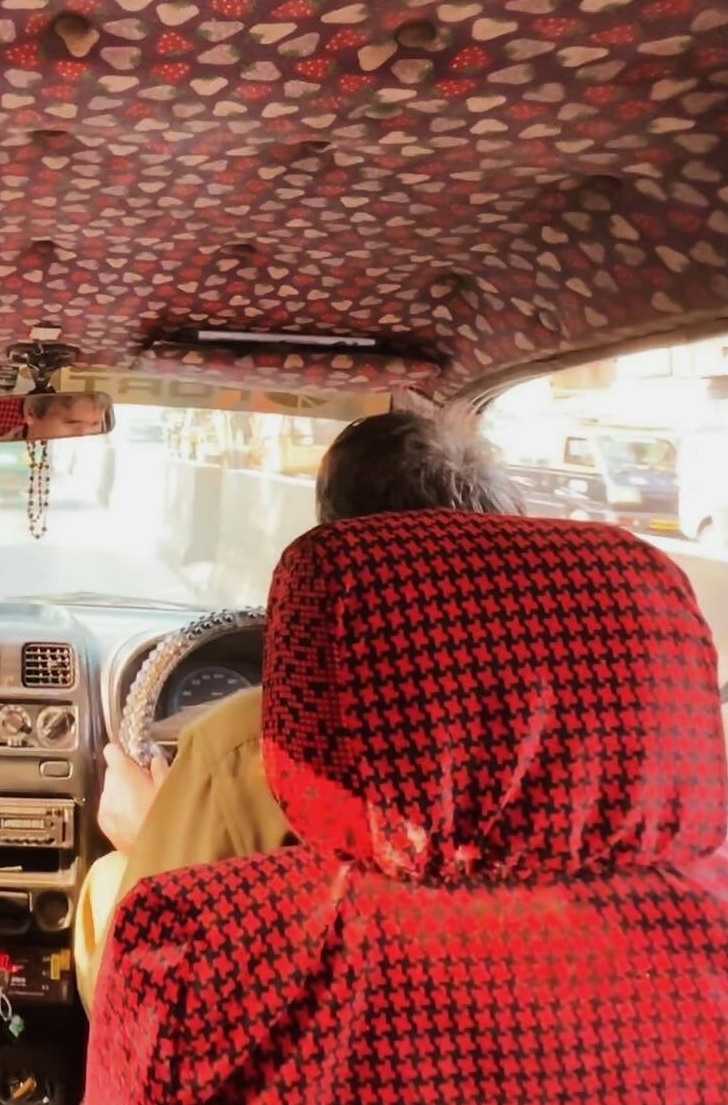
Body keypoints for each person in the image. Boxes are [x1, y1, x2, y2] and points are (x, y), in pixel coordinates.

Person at [74, 408, 526, 1011]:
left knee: (109, 886)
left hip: (325, 1079)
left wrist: (146, 839)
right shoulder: (593, 739)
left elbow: (143, 993)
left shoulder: (253, 743)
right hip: (511, 1060)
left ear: (333, 550)